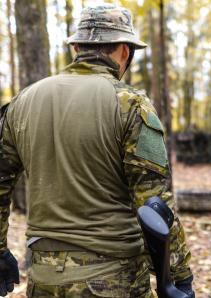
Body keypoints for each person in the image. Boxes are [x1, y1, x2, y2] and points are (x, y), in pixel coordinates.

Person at [0, 4, 194, 297]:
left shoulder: (21, 103)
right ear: (125, 51)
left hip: (43, 279)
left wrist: (0, 252)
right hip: (114, 280)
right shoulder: (130, 106)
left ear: (76, 47)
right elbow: (154, 202)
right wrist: (179, 277)